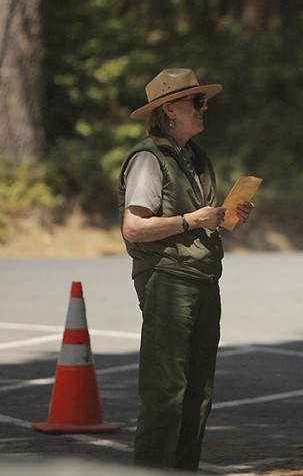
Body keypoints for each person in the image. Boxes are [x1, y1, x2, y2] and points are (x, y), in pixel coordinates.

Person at [117, 68, 254, 471]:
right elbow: (134, 227)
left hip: (201, 279)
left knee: (198, 392)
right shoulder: (148, 158)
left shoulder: (195, 158)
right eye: (196, 101)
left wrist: (226, 216)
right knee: (166, 391)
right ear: (170, 110)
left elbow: (196, 220)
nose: (204, 107)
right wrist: (193, 221)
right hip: (167, 280)